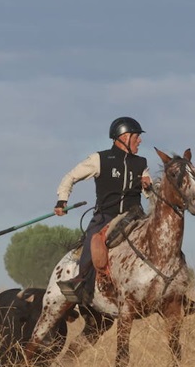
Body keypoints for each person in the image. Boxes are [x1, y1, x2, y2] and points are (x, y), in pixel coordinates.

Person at [53, 116, 152, 304]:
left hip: (135, 217)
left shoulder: (141, 163)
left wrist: (148, 187)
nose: (140, 140)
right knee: (94, 241)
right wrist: (62, 201)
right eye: (136, 136)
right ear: (123, 137)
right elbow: (70, 177)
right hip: (106, 216)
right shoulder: (100, 159)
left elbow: (150, 193)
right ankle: (80, 282)